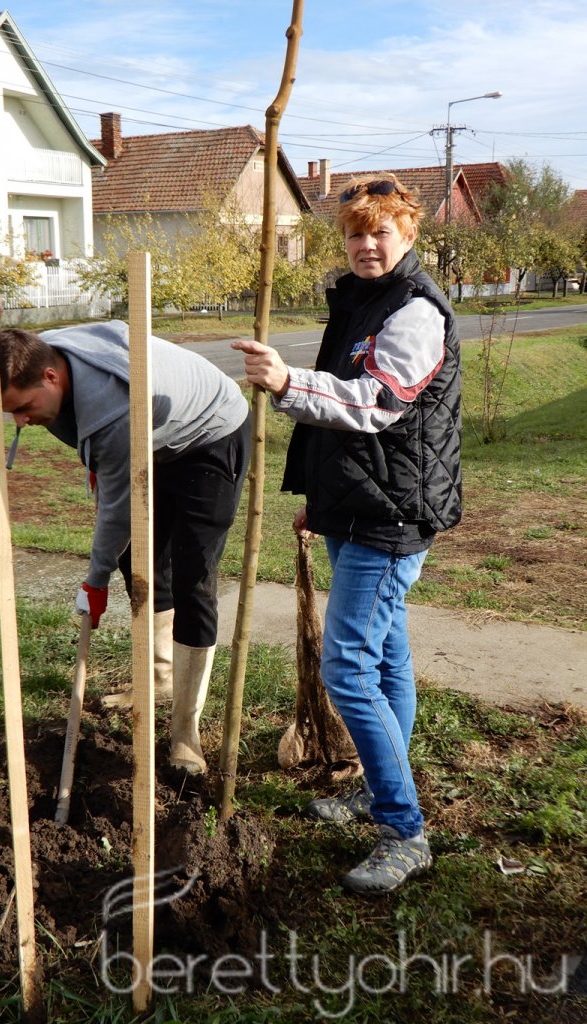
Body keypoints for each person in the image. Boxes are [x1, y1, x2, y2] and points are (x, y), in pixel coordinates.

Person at [233, 173, 461, 894]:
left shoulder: (416, 311)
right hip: (357, 504)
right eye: (357, 233)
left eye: (381, 232)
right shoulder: (362, 299)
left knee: (348, 669)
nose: (367, 244)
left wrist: (285, 383)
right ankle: (378, 788)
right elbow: (345, 424)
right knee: (385, 656)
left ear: (408, 235)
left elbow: (376, 404)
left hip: (392, 515)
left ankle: (404, 828)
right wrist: (320, 503)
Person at [0, 321, 250, 776]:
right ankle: (158, 675)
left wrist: (94, 582)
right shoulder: (45, 353)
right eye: (11, 412)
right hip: (153, 433)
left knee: (194, 579)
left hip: (211, 431)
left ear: (51, 377)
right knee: (140, 561)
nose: (20, 421)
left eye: (24, 407)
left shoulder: (111, 408)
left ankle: (185, 735)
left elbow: (116, 512)